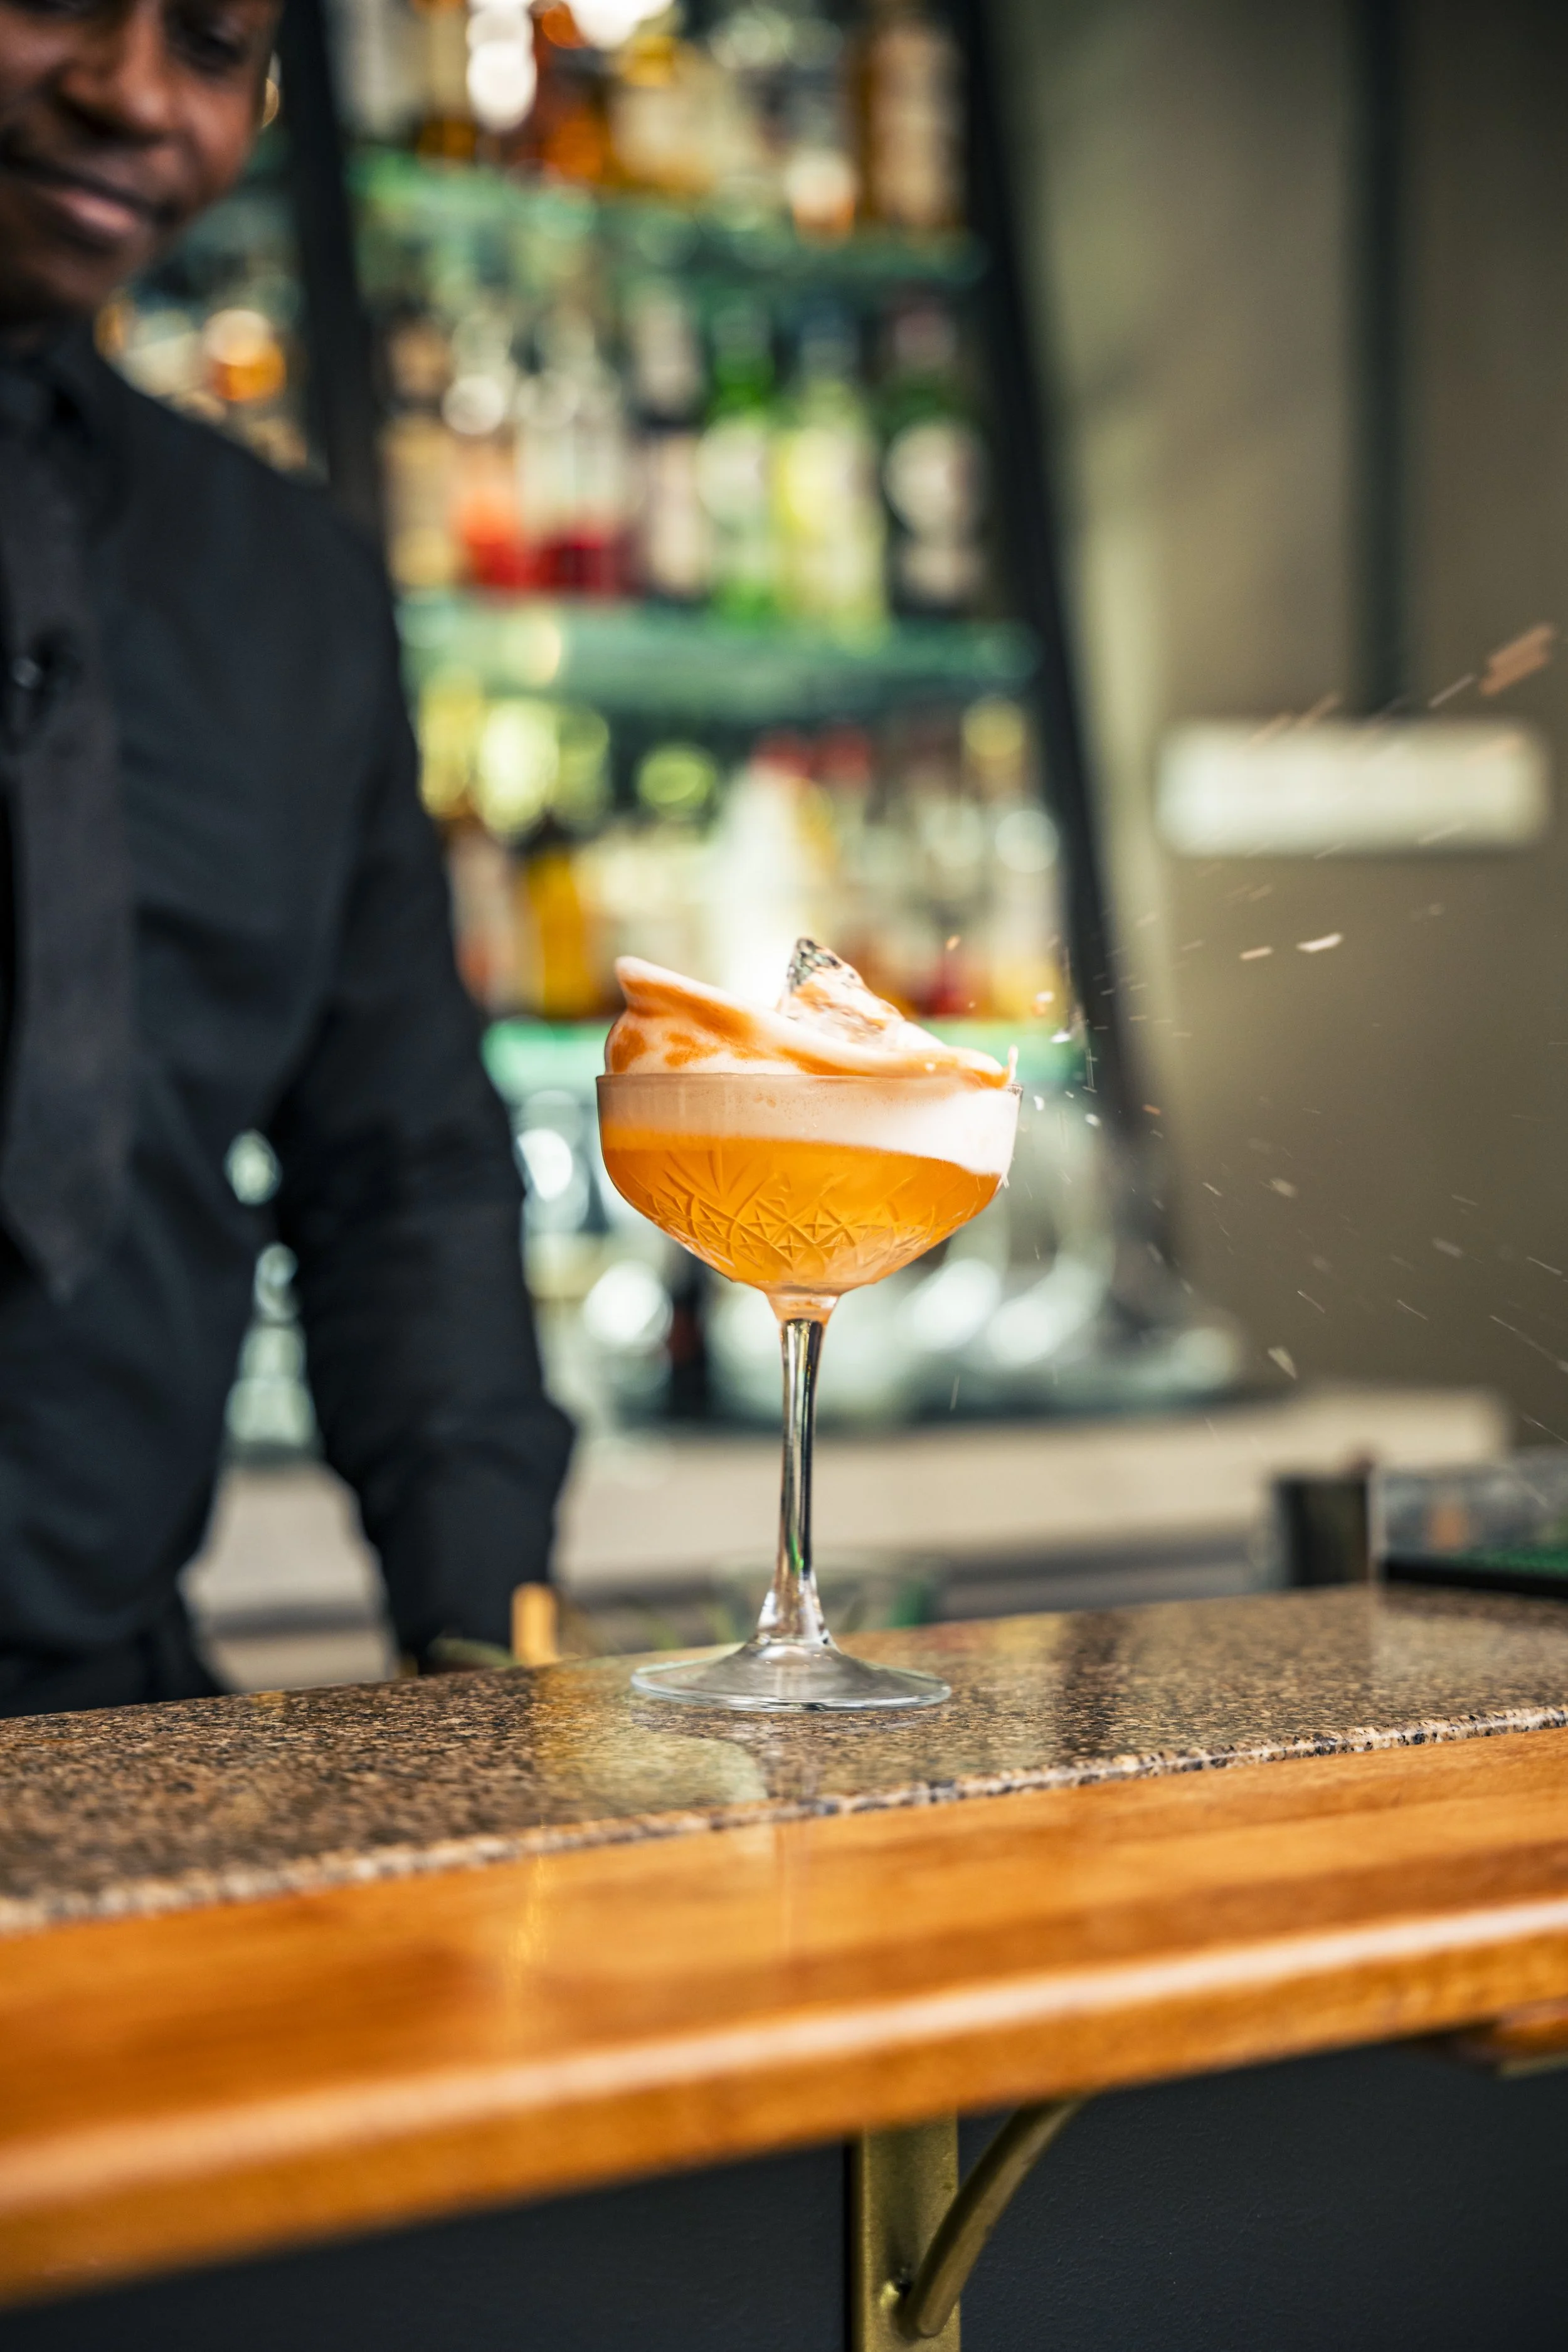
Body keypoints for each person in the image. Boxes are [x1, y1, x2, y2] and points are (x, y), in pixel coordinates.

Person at [0, 0, 573, 1714]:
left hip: (99, 1709)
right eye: (56, 1)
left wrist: (483, 1641)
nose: (131, 96)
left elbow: (398, 1159)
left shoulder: (283, 583)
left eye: (212, 43)